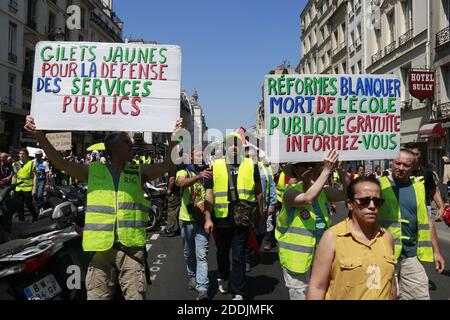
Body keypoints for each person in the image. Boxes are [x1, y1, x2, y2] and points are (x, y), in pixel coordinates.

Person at [24, 115, 184, 300]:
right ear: (113, 147)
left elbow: (168, 164)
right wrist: (40, 136)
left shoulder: (138, 171)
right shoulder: (93, 170)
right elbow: (60, 163)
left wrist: (173, 140)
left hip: (130, 250)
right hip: (100, 251)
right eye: (126, 142)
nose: (131, 144)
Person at [276, 150, 350, 300]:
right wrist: (327, 170)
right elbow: (308, 198)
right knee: (300, 295)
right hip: (297, 257)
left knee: (322, 293)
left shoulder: (323, 191)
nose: (309, 168)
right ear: (295, 170)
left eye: (311, 164)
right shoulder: (290, 193)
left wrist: (342, 171)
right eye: (303, 165)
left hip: (321, 254)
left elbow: (347, 194)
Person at [307, 176, 397, 300]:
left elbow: (391, 286)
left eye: (377, 201)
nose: (372, 206)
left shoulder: (387, 238)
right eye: (364, 201)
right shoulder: (332, 237)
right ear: (349, 204)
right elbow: (317, 287)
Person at [377, 149, 445, 300]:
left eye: (406, 165)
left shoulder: (418, 187)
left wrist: (437, 251)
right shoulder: (378, 186)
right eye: (398, 163)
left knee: (420, 296)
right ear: (392, 163)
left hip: (410, 254)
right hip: (383, 254)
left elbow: (426, 221)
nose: (401, 168)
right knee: (385, 296)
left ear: (414, 167)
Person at [204, 132, 263, 300]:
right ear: (225, 146)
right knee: (222, 253)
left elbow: (259, 192)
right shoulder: (215, 166)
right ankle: (223, 276)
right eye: (230, 143)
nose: (233, 147)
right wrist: (208, 218)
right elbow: (209, 194)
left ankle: (238, 291)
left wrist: (260, 214)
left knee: (239, 256)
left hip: (242, 218)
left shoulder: (252, 165)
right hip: (221, 218)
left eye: (236, 143)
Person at [176, 146, 213, 300]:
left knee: (202, 255)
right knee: (188, 252)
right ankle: (192, 274)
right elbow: (181, 183)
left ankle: (203, 288)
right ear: (191, 157)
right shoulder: (184, 171)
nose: (200, 158)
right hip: (186, 219)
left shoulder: (208, 173)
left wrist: (208, 217)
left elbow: (210, 194)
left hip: (201, 220)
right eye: (197, 155)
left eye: (202, 155)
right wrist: (198, 177)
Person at [244, 146, 276, 271]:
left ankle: (254, 251)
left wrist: (272, 205)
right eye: (247, 156)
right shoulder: (242, 169)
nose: (250, 159)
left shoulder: (265, 168)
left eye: (252, 156)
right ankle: (247, 259)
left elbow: (271, 187)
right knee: (246, 234)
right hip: (246, 208)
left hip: (262, 208)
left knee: (260, 233)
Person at [405, 142, 446, 221]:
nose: (414, 157)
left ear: (420, 154)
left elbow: (434, 191)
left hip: (424, 209)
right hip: (405, 209)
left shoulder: (427, 172)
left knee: (427, 232)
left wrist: (441, 207)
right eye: (411, 154)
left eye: (416, 154)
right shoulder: (401, 172)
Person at [11, 148, 38, 222]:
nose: (22, 155)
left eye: (23, 153)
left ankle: (35, 216)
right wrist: (12, 188)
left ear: (26, 155)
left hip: (28, 188)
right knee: (19, 205)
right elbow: (14, 176)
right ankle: (21, 221)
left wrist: (34, 188)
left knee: (29, 204)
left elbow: (35, 176)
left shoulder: (31, 163)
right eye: (20, 153)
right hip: (18, 188)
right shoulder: (16, 164)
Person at [161, 152, 183, 237]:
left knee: (172, 210)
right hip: (179, 191)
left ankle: (170, 229)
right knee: (177, 210)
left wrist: (169, 190)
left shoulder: (174, 164)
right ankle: (179, 229)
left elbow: (172, 179)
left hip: (174, 191)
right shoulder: (182, 164)